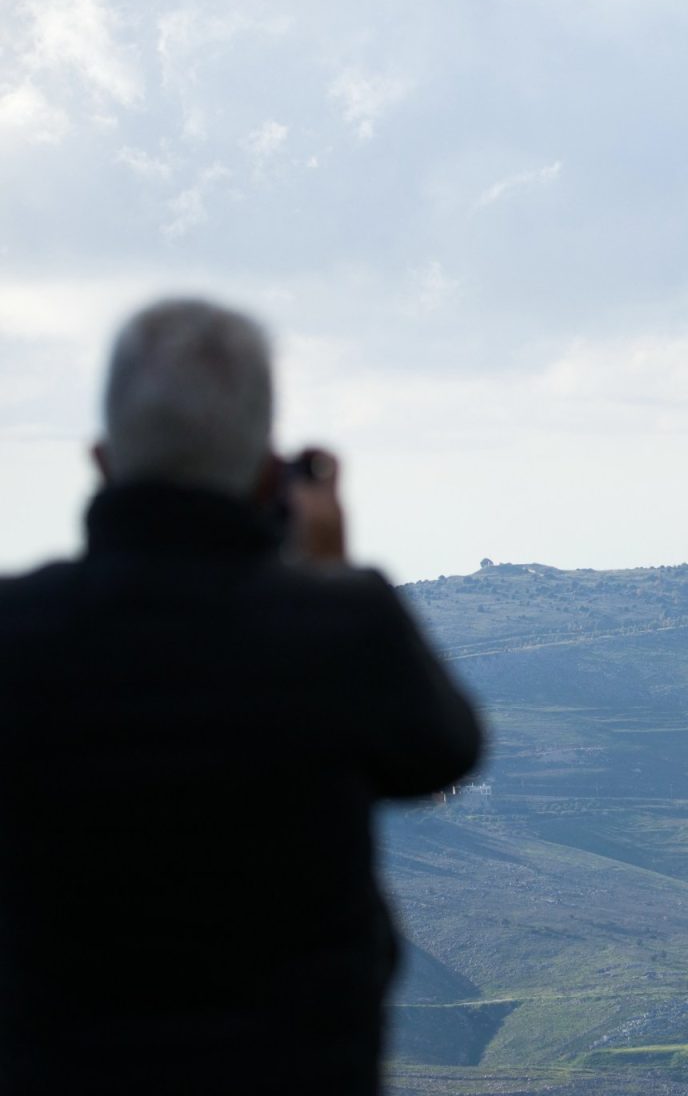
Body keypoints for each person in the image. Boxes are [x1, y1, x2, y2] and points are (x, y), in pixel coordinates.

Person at [0, 299, 483, 1094]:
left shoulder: (16, 634)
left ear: (101, 460)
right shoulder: (337, 625)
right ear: (269, 473)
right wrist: (326, 575)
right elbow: (441, 752)